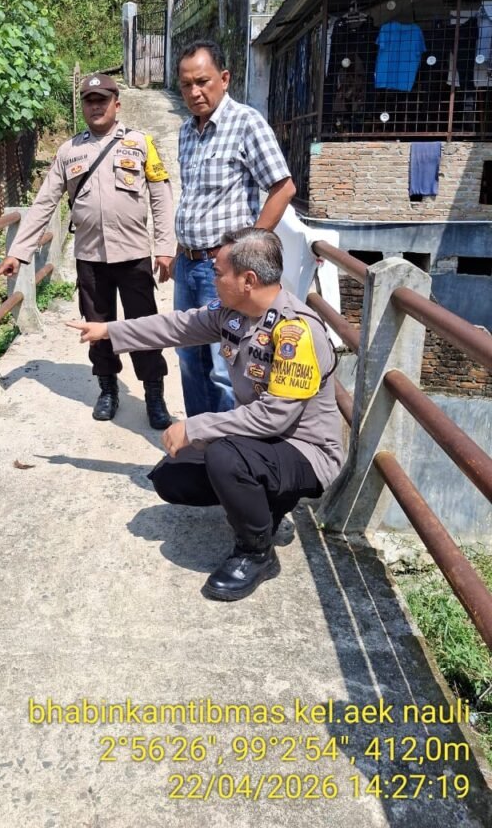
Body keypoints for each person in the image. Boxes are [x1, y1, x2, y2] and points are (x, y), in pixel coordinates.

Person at [67, 227, 343, 602]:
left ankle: (256, 552)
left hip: (304, 451)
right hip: (263, 443)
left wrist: (195, 426)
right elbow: (177, 326)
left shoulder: (296, 332)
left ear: (248, 280)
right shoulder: (234, 313)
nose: (212, 278)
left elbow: (274, 419)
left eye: (218, 272)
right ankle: (265, 504)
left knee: (223, 456)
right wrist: (108, 331)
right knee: (172, 475)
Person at [0, 73, 176, 429]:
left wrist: (165, 247)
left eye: (103, 100)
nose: (96, 106)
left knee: (144, 326)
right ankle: (107, 387)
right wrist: (19, 252)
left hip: (134, 254)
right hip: (90, 258)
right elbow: (44, 202)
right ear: (83, 107)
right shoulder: (69, 151)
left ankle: (154, 393)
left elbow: (161, 196)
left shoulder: (141, 144)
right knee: (96, 326)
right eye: (89, 101)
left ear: (117, 104)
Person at [174, 39, 297, 418]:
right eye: (186, 85)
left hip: (224, 270)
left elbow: (283, 187)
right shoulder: (185, 132)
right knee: (189, 358)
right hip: (187, 264)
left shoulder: (246, 123)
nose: (195, 92)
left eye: (203, 81)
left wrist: (247, 248)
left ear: (224, 79)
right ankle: (197, 443)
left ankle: (227, 453)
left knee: (224, 364)